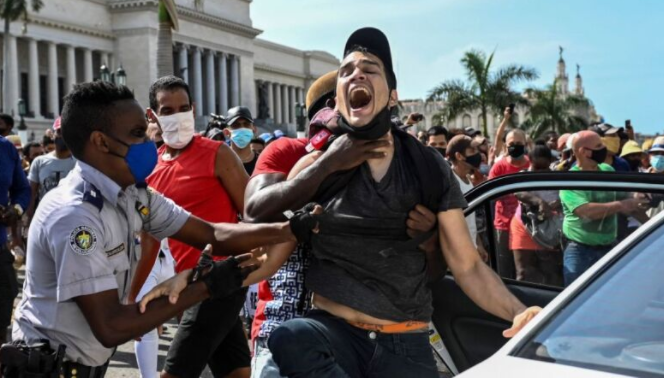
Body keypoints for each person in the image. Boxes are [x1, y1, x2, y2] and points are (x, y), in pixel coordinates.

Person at [267, 27, 540, 378]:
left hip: (404, 346)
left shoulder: (428, 168)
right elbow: (270, 250)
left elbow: (468, 266)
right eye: (346, 70)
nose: (356, 75)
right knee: (290, 337)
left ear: (393, 96)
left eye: (370, 69)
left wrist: (520, 312)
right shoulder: (316, 168)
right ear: (336, 98)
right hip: (332, 337)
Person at [10, 81, 305, 378]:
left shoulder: (135, 195)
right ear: (101, 142)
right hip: (48, 368)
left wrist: (291, 228)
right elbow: (110, 327)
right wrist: (206, 286)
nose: (149, 144)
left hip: (81, 364)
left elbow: (212, 234)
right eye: (138, 134)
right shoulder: (75, 217)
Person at [143, 76, 252, 378]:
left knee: (174, 373)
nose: (177, 116)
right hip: (183, 285)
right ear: (152, 116)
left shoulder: (218, 154)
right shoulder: (149, 168)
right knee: (236, 371)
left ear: (193, 109)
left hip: (218, 280)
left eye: (183, 108)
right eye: (167, 110)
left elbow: (253, 212)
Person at [560, 130, 647, 286]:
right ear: (584, 151)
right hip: (580, 251)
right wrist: (621, 205)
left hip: (609, 247)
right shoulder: (570, 180)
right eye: (599, 146)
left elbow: (624, 197)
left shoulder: (607, 171)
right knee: (575, 298)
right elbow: (586, 212)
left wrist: (636, 200)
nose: (604, 149)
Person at [511, 143, 563, 286]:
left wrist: (558, 203)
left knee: (552, 272)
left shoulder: (557, 177)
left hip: (551, 228)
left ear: (550, 162)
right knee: (523, 273)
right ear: (530, 161)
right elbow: (519, 192)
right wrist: (539, 202)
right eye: (536, 167)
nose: (540, 172)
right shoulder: (523, 175)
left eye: (544, 167)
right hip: (524, 226)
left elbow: (566, 197)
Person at [0, 132, 30, 345]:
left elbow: (22, 189)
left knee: (2, 317)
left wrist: (16, 209)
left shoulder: (6, 149)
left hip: (0, 249)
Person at [489, 128, 530, 279]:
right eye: (511, 143)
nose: (515, 146)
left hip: (527, 226)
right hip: (503, 226)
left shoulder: (531, 165)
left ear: (525, 144)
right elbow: (490, 194)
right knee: (504, 271)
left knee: (524, 271)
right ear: (505, 146)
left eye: (519, 143)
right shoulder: (499, 167)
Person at [25, 118, 76, 227]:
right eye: (59, 132)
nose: (63, 136)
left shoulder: (80, 162)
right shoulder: (39, 162)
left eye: (67, 132)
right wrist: (29, 221)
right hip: (45, 220)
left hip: (73, 218)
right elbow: (31, 193)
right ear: (52, 135)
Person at [446, 134, 487, 261]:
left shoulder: (468, 180)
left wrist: (478, 245)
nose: (478, 155)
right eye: (472, 151)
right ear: (459, 156)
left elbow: (470, 219)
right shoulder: (450, 183)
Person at [226, 106, 259, 175]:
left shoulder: (261, 161)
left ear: (254, 129)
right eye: (236, 125)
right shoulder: (220, 162)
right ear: (227, 132)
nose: (242, 128)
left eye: (246, 124)